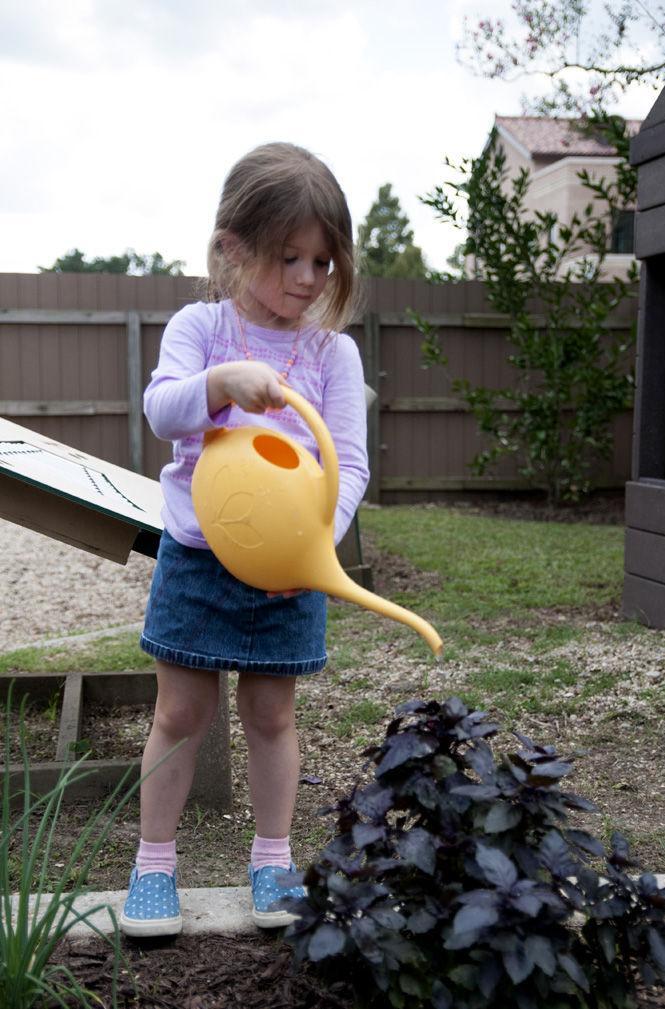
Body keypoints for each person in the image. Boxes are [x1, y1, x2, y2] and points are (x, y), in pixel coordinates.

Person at [119, 142, 369, 937]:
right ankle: (153, 865)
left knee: (271, 715)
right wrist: (220, 386)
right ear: (233, 248)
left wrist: (317, 548)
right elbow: (161, 411)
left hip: (287, 573)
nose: (307, 277)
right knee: (180, 714)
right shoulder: (201, 328)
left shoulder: (333, 354)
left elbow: (349, 463)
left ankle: (271, 858)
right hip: (197, 558)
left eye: (323, 262)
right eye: (288, 256)